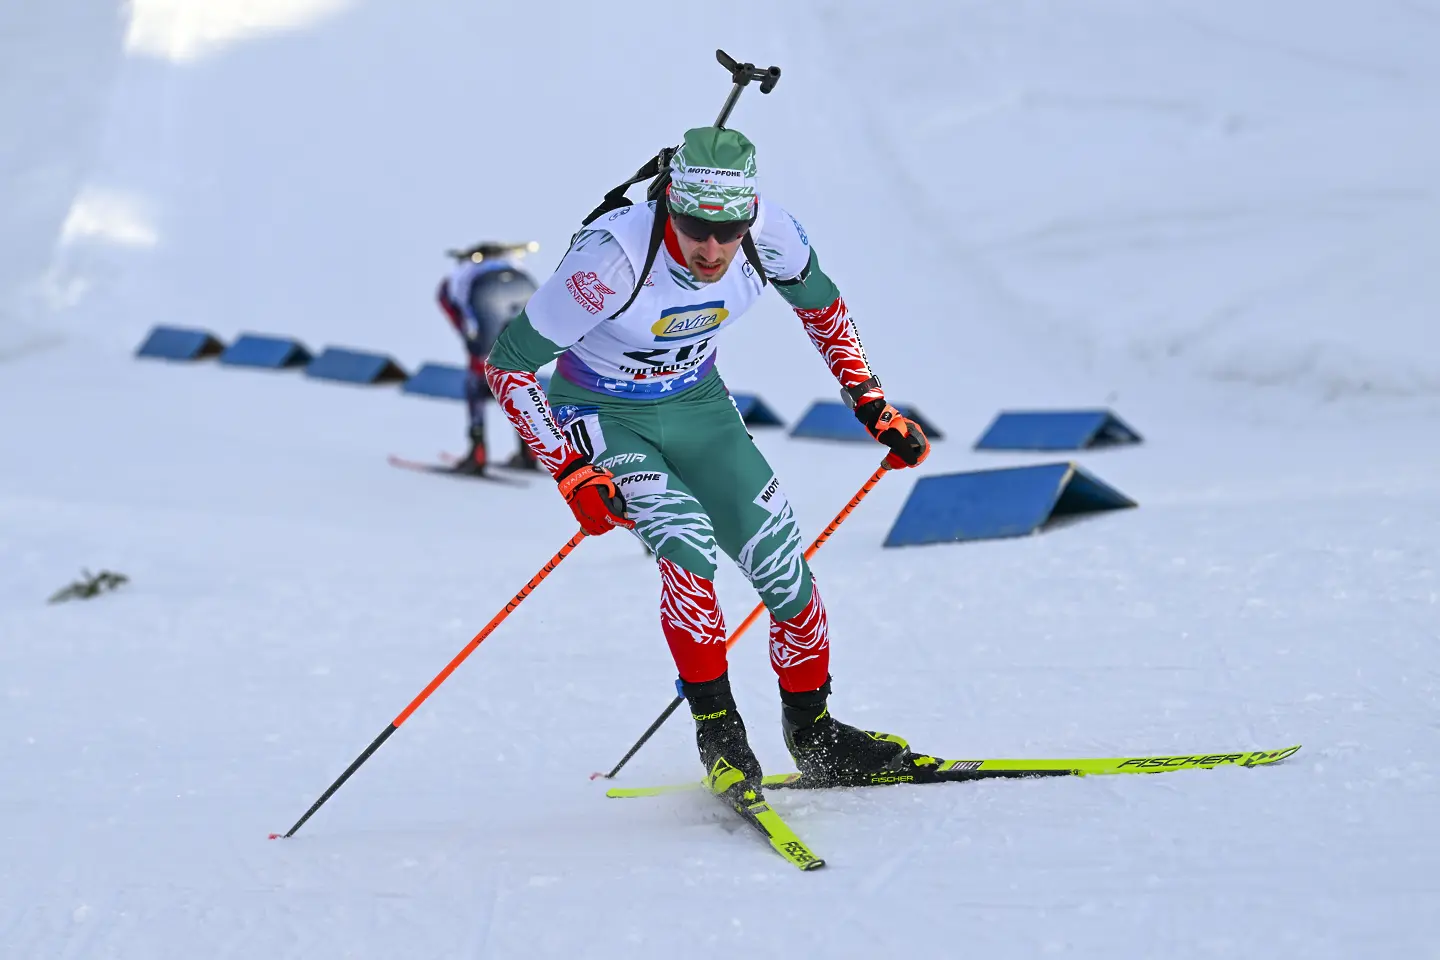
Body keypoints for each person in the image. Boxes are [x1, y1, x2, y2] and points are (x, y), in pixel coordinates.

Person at [483, 127, 933, 803]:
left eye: (729, 229)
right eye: (695, 226)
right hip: (603, 413)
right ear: (669, 203)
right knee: (686, 541)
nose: (713, 248)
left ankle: (815, 737)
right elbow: (508, 365)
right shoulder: (609, 261)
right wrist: (568, 469)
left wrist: (870, 401)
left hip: (700, 406)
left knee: (787, 573)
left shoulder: (771, 235)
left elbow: (823, 307)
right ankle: (720, 735)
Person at [435, 243, 543, 473]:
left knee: (476, 380)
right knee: (519, 378)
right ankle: (530, 451)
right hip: (523, 296)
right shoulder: (515, 266)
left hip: (485, 303)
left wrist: (475, 347)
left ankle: (478, 452)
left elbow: (459, 316)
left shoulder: (457, 277)